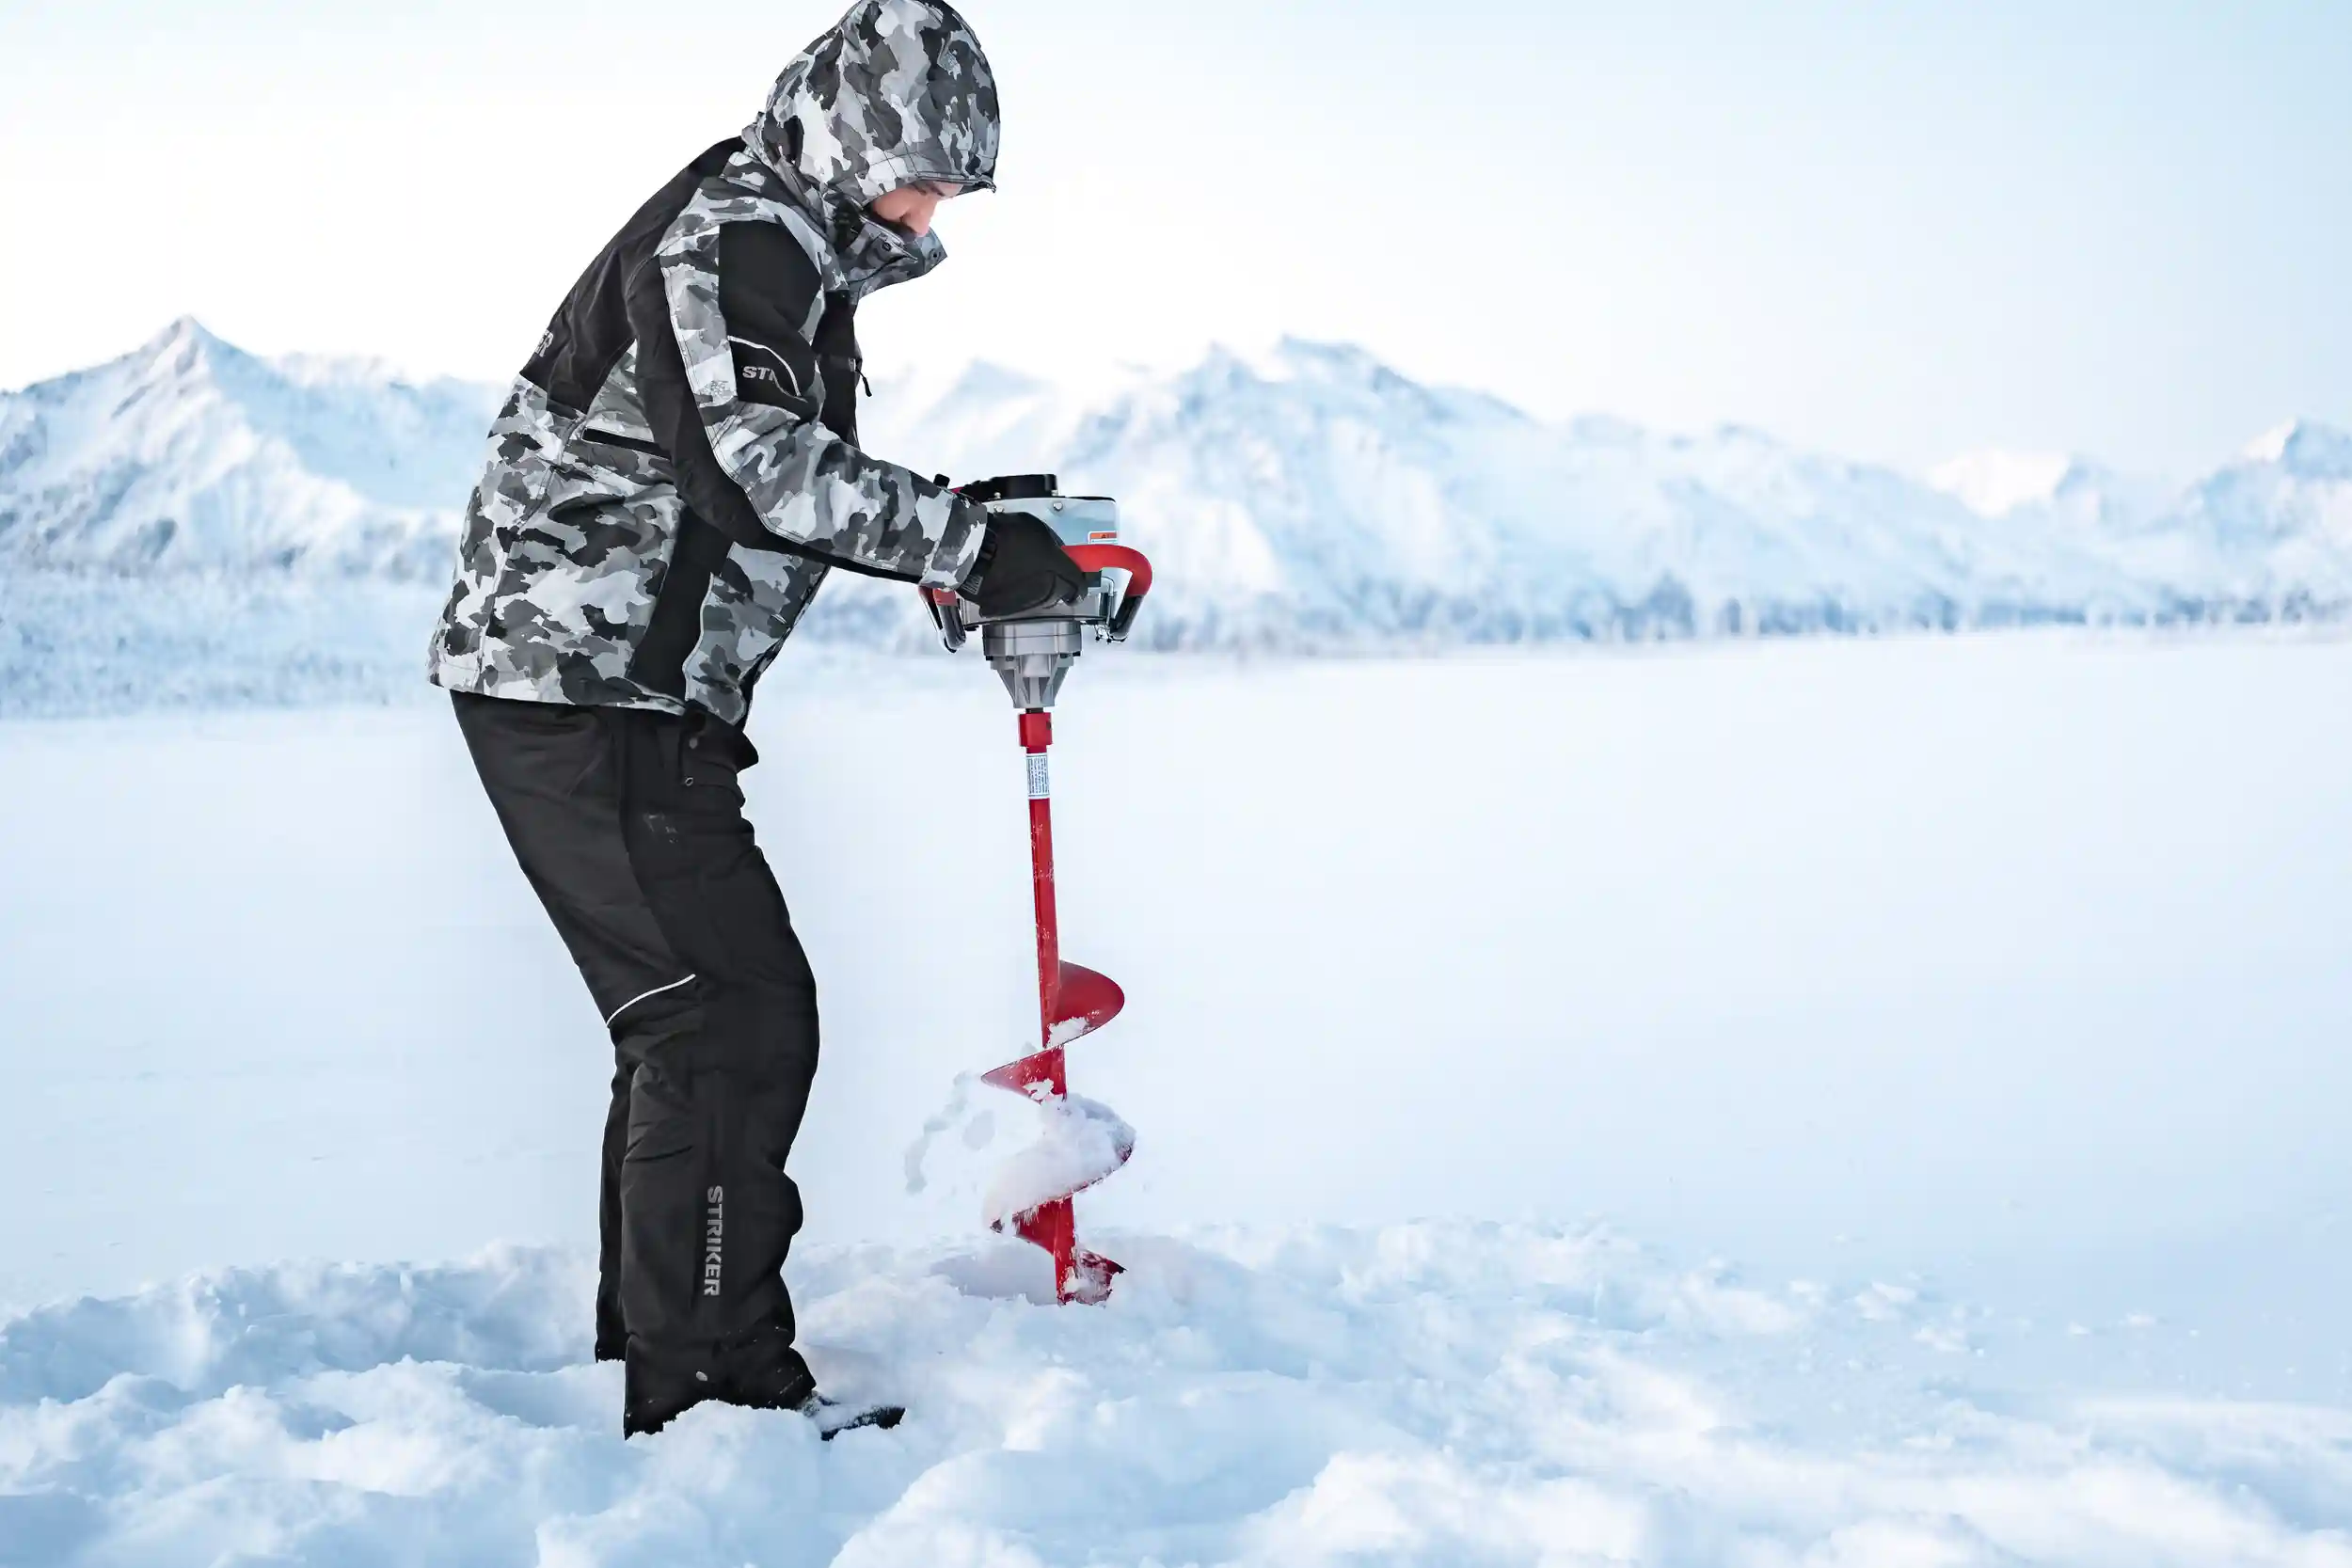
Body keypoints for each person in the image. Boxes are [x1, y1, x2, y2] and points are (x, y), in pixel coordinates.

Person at [425, 0, 1084, 1438]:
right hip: (583, 690)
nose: (933, 211)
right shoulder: (741, 234)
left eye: (953, 189)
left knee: (691, 1023)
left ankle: (661, 1357)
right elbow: (755, 465)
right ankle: (714, 1389)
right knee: (731, 1021)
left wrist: (945, 542)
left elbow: (759, 481)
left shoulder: (781, 245)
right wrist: (966, 547)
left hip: (598, 691)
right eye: (922, 174)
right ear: (852, 140)